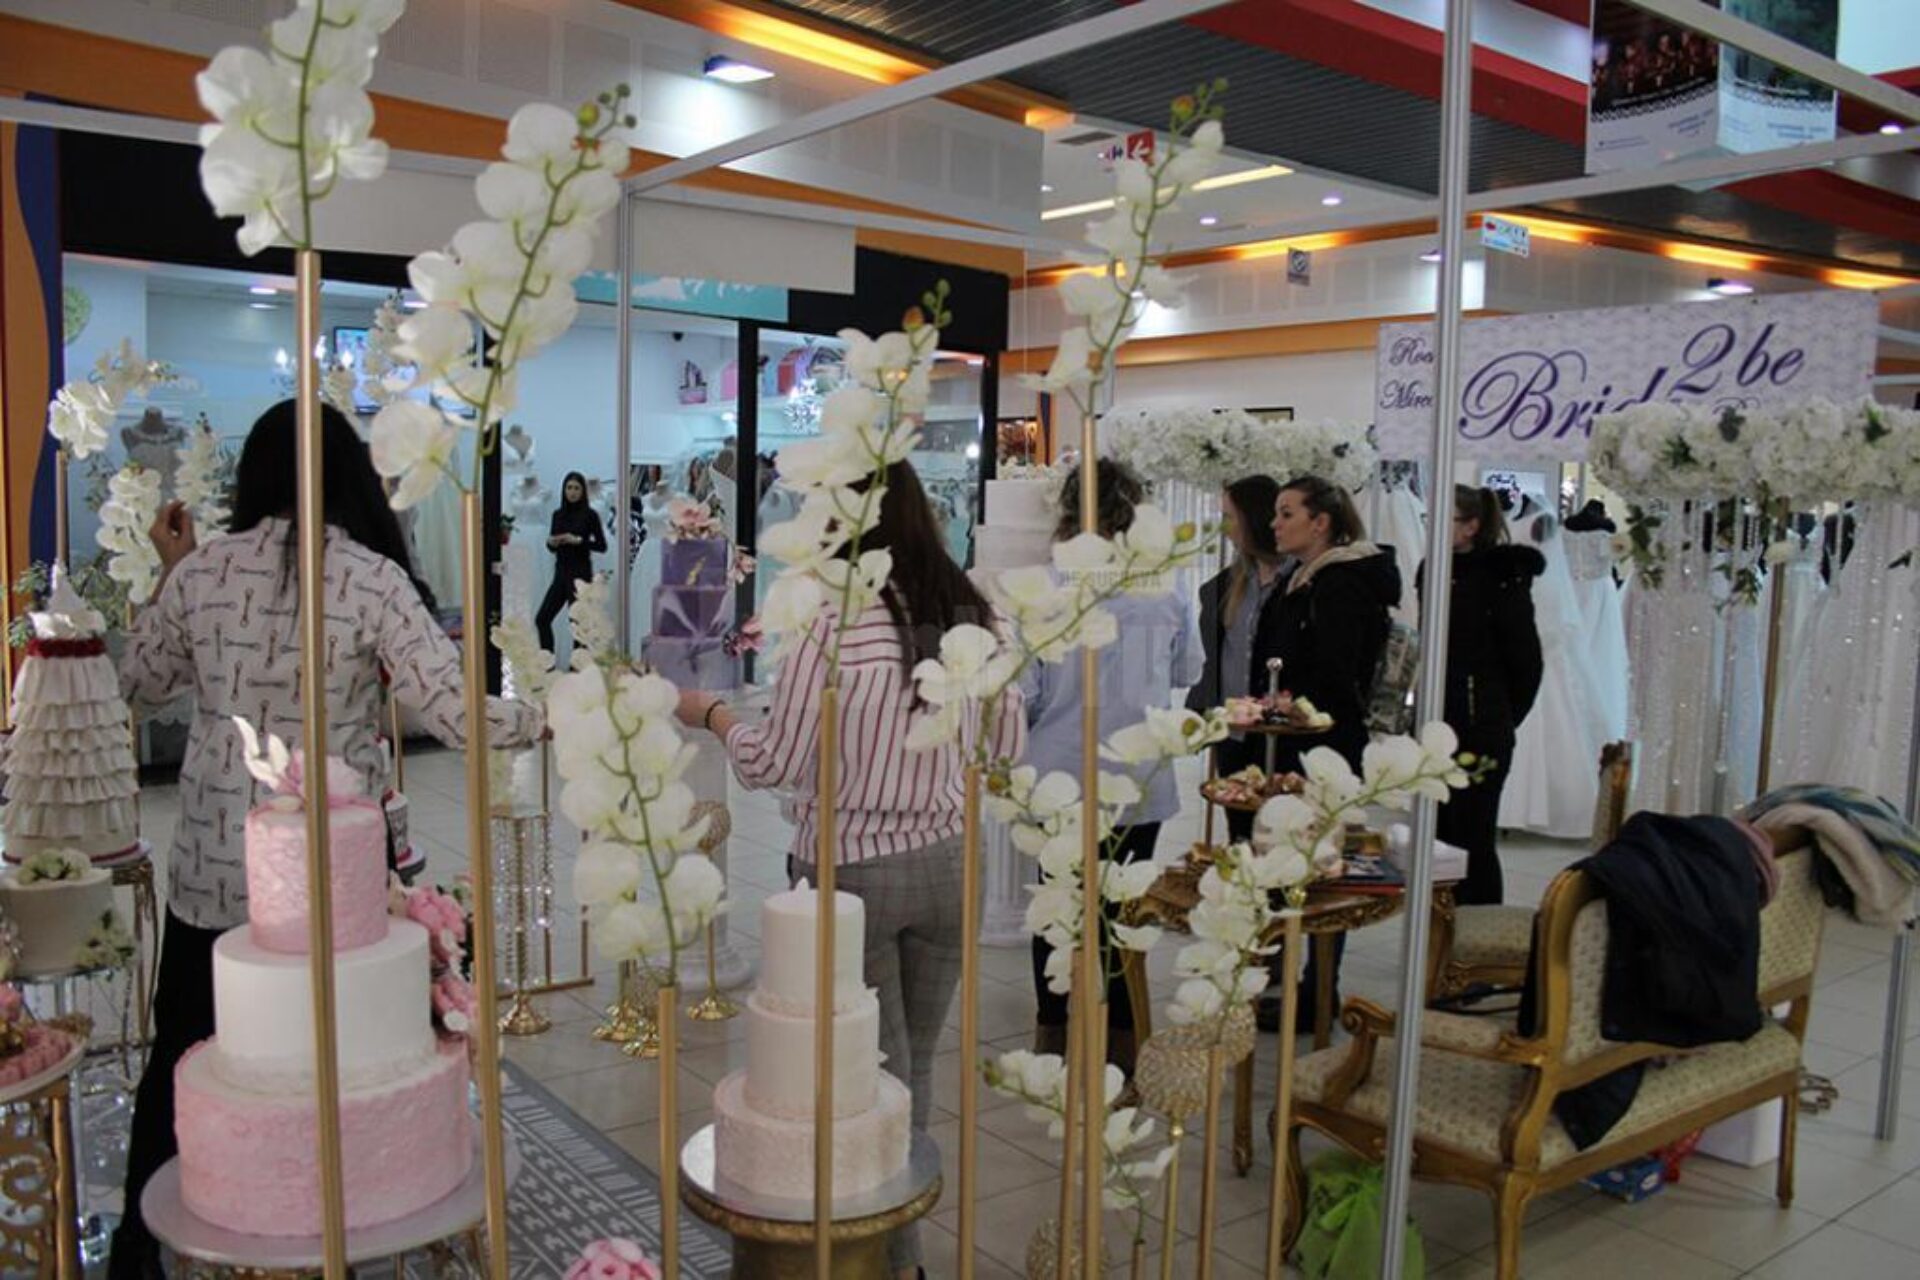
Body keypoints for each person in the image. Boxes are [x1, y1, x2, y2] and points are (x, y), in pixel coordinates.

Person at [109, 401, 544, 1279]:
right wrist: (543, 715)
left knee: (185, 1063)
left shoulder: (202, 573)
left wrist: (170, 570)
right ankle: (335, 1228)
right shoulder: (369, 577)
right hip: (329, 889)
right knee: (351, 1073)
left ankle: (139, 1254)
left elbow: (139, 684)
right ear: (351, 477)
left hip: (215, 872)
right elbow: (453, 710)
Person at [677, 460, 1023, 1280]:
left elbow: (773, 762)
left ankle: (892, 1260)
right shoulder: (970, 610)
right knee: (913, 1065)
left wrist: (714, 714)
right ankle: (895, 1251)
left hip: (852, 873)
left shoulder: (829, 625)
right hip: (950, 862)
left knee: (870, 1077)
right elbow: (1004, 748)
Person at [1021, 460, 1202, 1070]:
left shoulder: (1046, 587)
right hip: (1138, 775)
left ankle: (1054, 1037)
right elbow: (1188, 670)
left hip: (1061, 773)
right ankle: (1122, 1043)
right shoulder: (1165, 584)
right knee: (1122, 911)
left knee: (1058, 909)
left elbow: (1027, 692)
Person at [1251, 475, 1400, 1032]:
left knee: (1321, 866)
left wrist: (1293, 707)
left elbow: (1337, 674)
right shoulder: (1305, 576)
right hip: (1300, 742)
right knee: (1294, 859)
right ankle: (1300, 982)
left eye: (1286, 513)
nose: (1275, 524)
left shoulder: (1340, 583)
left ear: (1321, 523)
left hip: (1325, 746)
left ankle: (1318, 992)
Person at [1423, 485, 1544, 906]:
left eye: (1444, 519)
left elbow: (1526, 660)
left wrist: (1498, 714)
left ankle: (1477, 931)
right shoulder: (1430, 569)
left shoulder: (1501, 574)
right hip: (1437, 721)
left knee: (1473, 837)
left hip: (1481, 727)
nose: (1432, 528)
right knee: (1438, 836)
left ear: (1471, 527)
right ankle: (1439, 931)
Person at [1187, 474, 1287, 842]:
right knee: (1240, 833)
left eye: (1230, 517)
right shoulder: (1228, 585)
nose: (1224, 528)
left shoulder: (1299, 581)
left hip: (1281, 731)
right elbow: (1214, 657)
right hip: (1233, 733)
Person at [535, 471, 607, 653]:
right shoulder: (557, 515)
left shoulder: (590, 515)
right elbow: (552, 547)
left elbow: (601, 546)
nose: (572, 492)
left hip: (580, 575)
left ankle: (577, 667)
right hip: (561, 573)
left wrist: (579, 541)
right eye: (569, 488)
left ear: (583, 491)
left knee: (578, 626)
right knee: (542, 619)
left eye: (576, 488)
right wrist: (551, 542)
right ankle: (548, 664)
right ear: (564, 490)